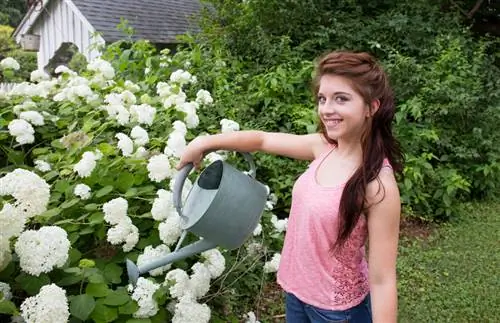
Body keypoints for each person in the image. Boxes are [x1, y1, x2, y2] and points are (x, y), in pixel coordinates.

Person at [177, 50, 403, 323]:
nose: (326, 109)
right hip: (296, 294)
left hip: (336, 311)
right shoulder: (324, 147)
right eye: (322, 98)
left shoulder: (378, 185)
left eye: (341, 99)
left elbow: (382, 280)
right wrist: (204, 142)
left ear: (371, 107)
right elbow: (261, 140)